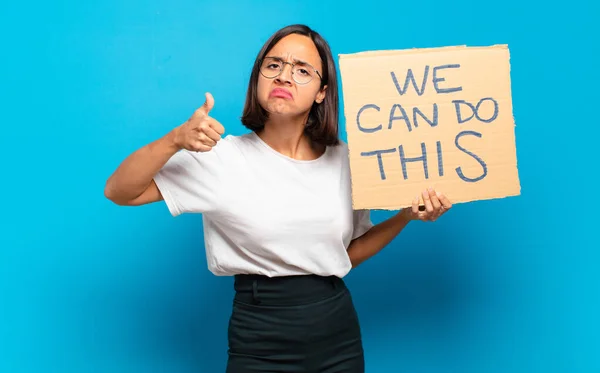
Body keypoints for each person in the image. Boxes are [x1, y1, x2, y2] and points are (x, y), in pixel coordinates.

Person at [104, 24, 452, 373]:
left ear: (321, 92)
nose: (284, 76)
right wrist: (174, 140)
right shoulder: (221, 157)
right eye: (274, 66)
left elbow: (346, 255)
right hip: (260, 334)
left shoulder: (347, 160)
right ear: (258, 78)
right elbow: (119, 191)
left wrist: (405, 215)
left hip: (336, 332)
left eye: (302, 70)